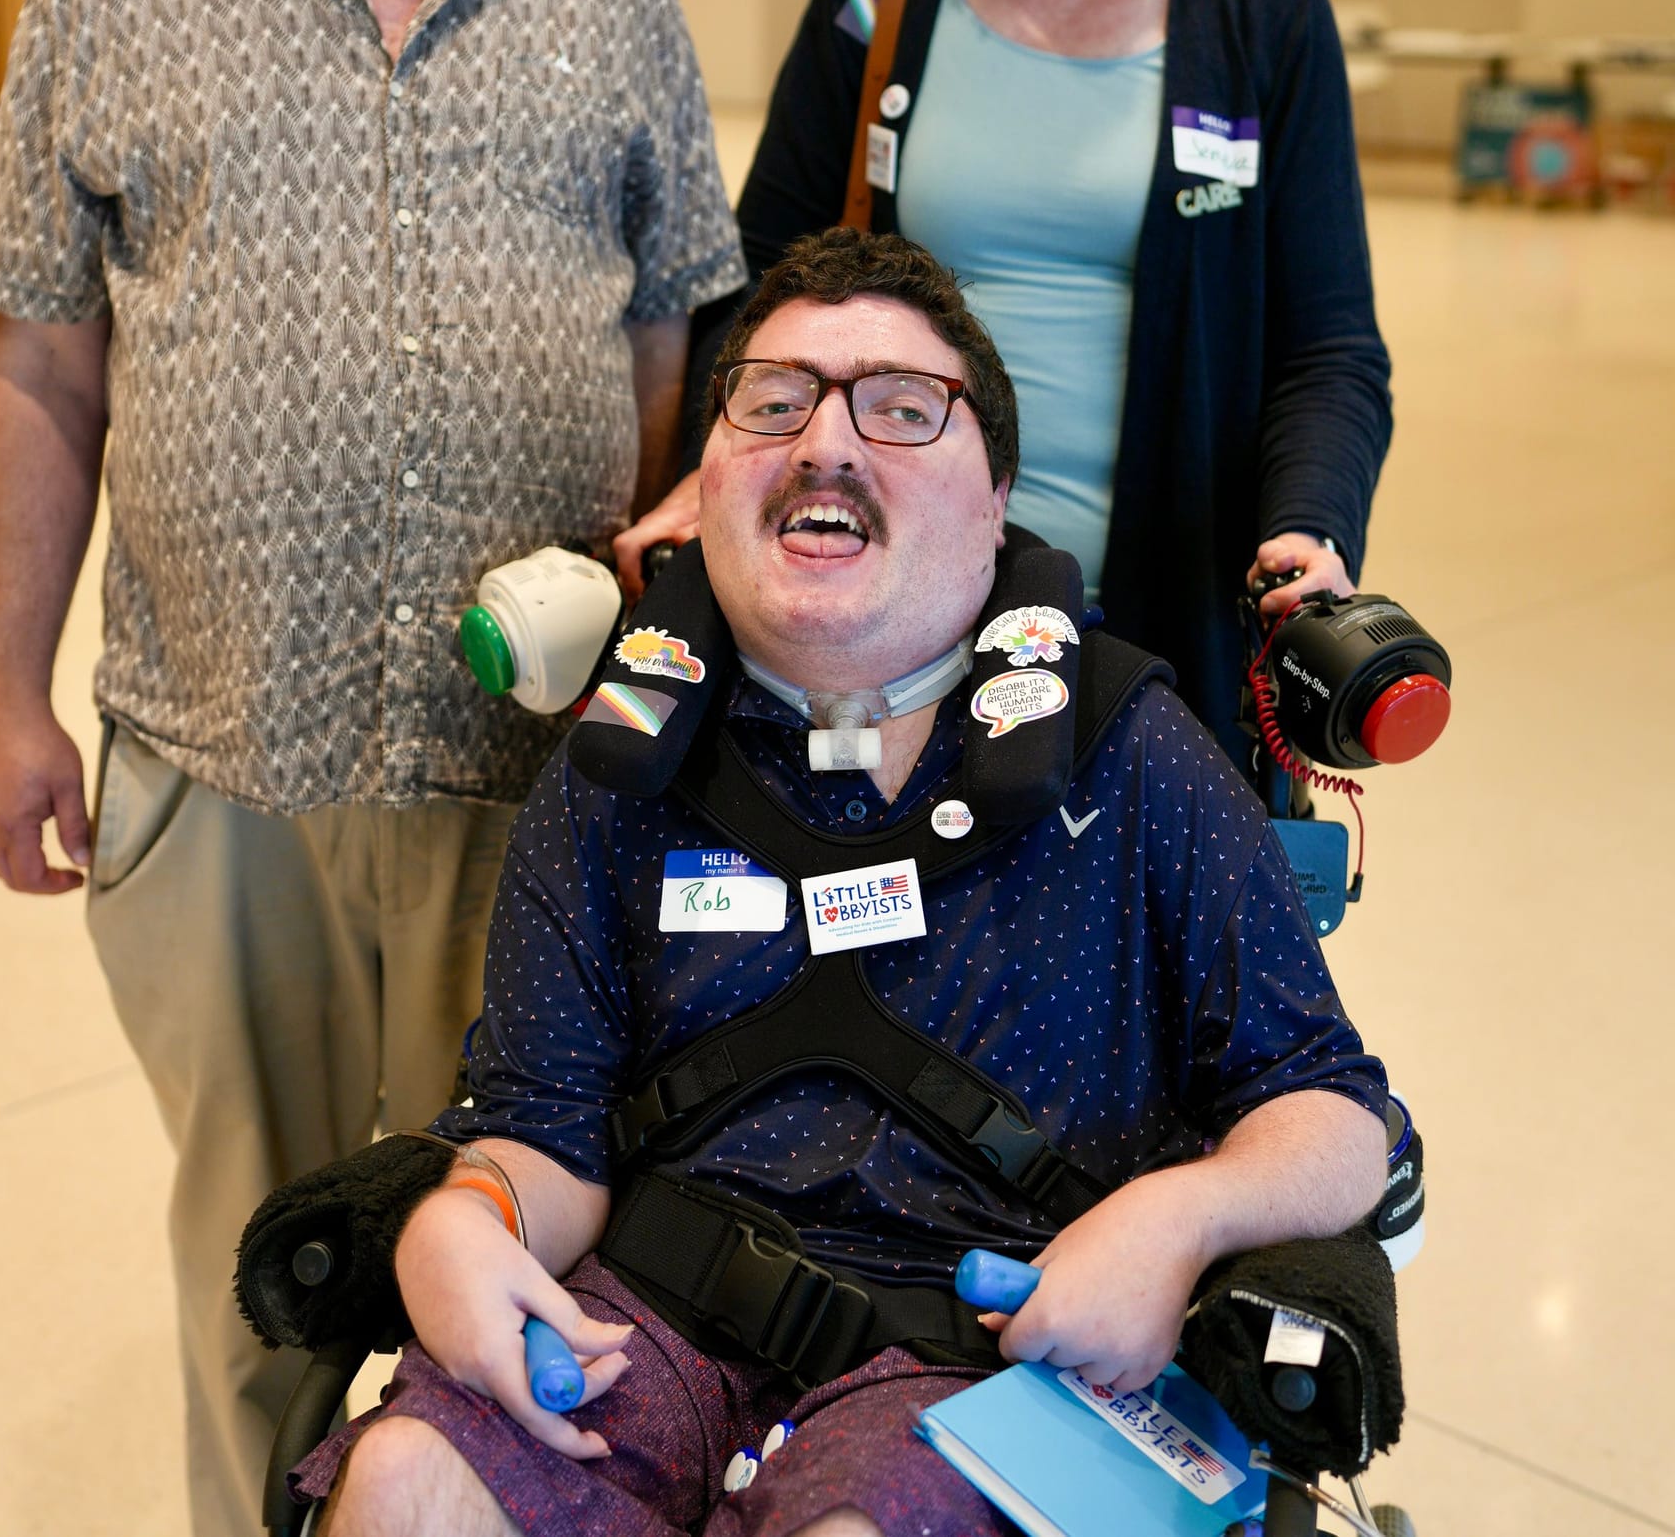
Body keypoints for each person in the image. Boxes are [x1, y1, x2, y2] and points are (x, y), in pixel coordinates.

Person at [0, 0, 744, 1537]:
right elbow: (39, 364)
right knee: (270, 1257)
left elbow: (679, 334)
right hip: (224, 765)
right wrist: (7, 700)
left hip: (543, 763)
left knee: (522, 1258)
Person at [306, 229, 1388, 1537]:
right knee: (403, 1486)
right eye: (773, 400)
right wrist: (464, 1221)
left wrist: (1177, 1218)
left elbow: (1331, 1112)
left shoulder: (1130, 747)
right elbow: (546, 1123)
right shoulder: (621, 766)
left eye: (902, 406)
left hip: (982, 1347)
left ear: (995, 498)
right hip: (645, 1318)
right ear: (706, 483)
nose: (826, 440)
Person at [619, 0, 1391, 754]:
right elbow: (765, 270)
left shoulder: (1261, 7)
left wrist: (1307, 526)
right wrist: (700, 475)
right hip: (883, 616)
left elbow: (1327, 344)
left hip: (1150, 627)